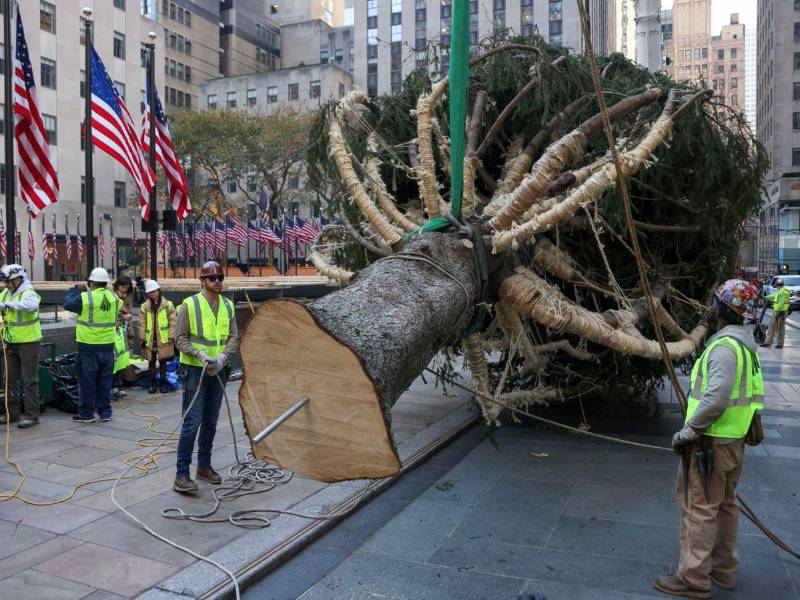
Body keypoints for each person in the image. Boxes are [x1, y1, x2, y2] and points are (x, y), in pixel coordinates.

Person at [654, 280, 764, 600]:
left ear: (723, 309)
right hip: (731, 443)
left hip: (710, 444)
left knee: (698, 509)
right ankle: (722, 570)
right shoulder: (745, 347)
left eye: (715, 301)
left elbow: (715, 399)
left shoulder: (725, 349)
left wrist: (688, 432)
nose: (710, 306)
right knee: (725, 507)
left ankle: (693, 578)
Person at [173, 261, 239, 493]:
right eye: (212, 278)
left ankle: (204, 466)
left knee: (210, 421)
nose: (217, 282)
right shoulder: (189, 305)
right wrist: (198, 354)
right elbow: (179, 339)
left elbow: (233, 336)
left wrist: (222, 356)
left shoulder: (228, 306)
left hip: (218, 370)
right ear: (202, 282)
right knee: (192, 422)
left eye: (220, 278)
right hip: (194, 371)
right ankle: (182, 474)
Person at [63, 267, 121, 423]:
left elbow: (68, 305)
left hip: (88, 346)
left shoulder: (86, 298)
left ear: (92, 283)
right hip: (108, 345)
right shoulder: (114, 298)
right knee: (105, 381)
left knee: (87, 382)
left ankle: (87, 414)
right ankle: (105, 412)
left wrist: (73, 291)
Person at [0, 265, 42, 428]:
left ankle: (32, 416)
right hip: (10, 341)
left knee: (29, 380)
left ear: (18, 279)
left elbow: (30, 306)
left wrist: (7, 305)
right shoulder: (5, 293)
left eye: (9, 281)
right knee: (9, 380)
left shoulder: (28, 293)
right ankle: (12, 414)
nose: (6, 285)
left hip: (29, 342)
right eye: (5, 282)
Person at [137, 279, 177, 394]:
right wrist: (142, 338)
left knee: (163, 361)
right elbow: (141, 324)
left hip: (163, 338)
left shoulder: (168, 305)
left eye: (154, 291)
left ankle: (163, 383)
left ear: (158, 291)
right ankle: (153, 383)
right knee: (151, 361)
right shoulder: (144, 307)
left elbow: (173, 322)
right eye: (149, 292)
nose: (152, 294)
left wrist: (171, 336)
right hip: (150, 339)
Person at [112, 275, 135, 398]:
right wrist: (123, 317)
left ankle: (118, 385)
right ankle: (113, 387)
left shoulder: (128, 297)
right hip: (113, 331)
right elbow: (111, 314)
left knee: (121, 359)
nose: (124, 290)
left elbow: (129, 313)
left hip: (122, 330)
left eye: (126, 288)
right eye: (122, 287)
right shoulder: (112, 296)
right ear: (117, 286)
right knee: (113, 360)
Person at [760, 277, 791, 349]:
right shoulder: (779, 291)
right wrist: (763, 297)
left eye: (776, 285)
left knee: (780, 328)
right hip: (777, 311)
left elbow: (781, 303)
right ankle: (768, 342)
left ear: (778, 285)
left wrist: (779, 313)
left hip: (781, 312)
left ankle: (780, 344)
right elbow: (772, 296)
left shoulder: (783, 292)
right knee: (771, 327)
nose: (776, 286)